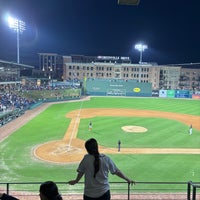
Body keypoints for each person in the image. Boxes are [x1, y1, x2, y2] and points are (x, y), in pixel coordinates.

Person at [68, 138, 135, 200]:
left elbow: (81, 172)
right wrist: (127, 179)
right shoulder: (106, 158)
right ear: (97, 147)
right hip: (104, 194)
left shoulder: (86, 159)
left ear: (87, 149)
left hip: (89, 194)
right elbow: (116, 171)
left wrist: (76, 181)